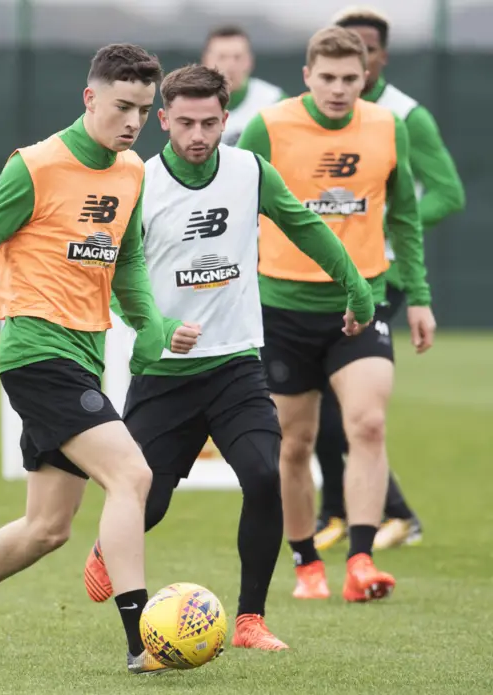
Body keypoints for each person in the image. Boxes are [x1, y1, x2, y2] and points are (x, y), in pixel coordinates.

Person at [0, 43, 197, 675]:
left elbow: (125, 261)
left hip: (85, 354)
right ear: (90, 97)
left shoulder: (133, 173)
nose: (132, 122)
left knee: (47, 528)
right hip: (36, 352)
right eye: (122, 106)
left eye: (145, 111)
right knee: (132, 476)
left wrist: (150, 324)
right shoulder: (35, 166)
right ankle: (140, 639)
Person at [83, 63, 375, 645]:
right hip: (164, 375)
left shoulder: (249, 170)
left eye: (210, 123)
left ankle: (250, 619)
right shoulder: (136, 182)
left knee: (266, 476)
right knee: (148, 499)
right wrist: (160, 326)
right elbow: (111, 276)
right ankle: (106, 545)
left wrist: (356, 285)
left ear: (225, 120)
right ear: (162, 120)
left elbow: (305, 226)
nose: (197, 135)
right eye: (185, 122)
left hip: (237, 364)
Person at [238, 27, 436, 601]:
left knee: (368, 425)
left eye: (351, 78)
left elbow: (404, 220)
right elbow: (234, 207)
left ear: (365, 77)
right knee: (294, 444)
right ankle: (305, 563)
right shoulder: (268, 126)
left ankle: (361, 560)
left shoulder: (387, 126)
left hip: (361, 303)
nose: (339, 88)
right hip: (282, 309)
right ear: (307, 76)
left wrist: (417, 295)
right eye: (328, 77)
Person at [313, 6, 466, 552]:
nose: (351, 57)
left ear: (379, 57)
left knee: (344, 402)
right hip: (316, 278)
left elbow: (449, 193)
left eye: (363, 49)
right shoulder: (315, 113)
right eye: (340, 48)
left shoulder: (405, 116)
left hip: (383, 274)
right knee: (318, 404)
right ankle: (340, 511)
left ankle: (382, 513)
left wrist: (374, 220)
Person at [202, 25, 287, 146]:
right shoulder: (189, 103)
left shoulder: (274, 101)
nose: (230, 65)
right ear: (206, 61)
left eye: (238, 57)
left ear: (249, 61)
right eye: (222, 57)